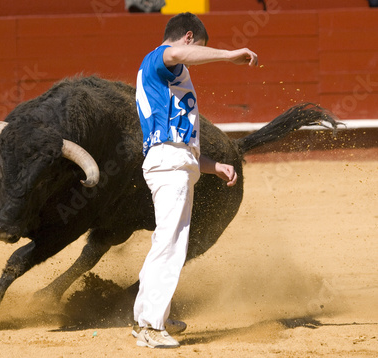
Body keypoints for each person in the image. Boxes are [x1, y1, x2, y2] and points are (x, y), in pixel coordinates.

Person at [133, 12, 258, 349]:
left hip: (174, 160)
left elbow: (178, 145)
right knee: (170, 244)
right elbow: (175, 54)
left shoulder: (163, 79)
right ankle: (151, 326)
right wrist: (229, 54)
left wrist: (213, 165)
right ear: (188, 37)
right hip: (169, 163)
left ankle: (149, 314)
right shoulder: (160, 58)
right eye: (198, 48)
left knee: (168, 240)